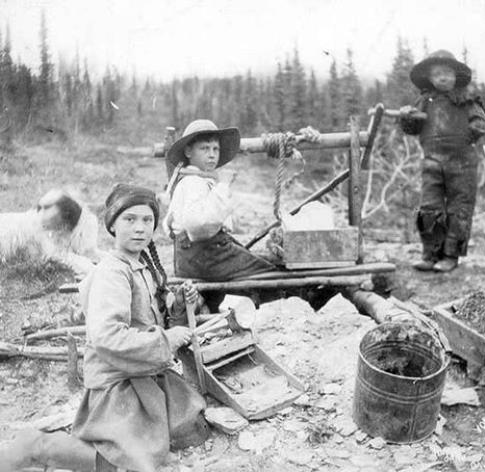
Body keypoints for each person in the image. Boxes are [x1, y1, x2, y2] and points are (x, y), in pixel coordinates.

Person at [0, 184, 209, 472]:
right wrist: (167, 339)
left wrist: (177, 308)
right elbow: (107, 337)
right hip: (117, 382)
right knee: (133, 462)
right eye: (129, 219)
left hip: (143, 370)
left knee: (193, 428)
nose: (140, 228)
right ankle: (37, 445)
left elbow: (152, 320)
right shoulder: (112, 273)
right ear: (112, 225)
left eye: (147, 220)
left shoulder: (142, 267)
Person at [164, 119, 277, 310]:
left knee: (258, 262)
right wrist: (223, 188)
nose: (211, 155)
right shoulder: (193, 183)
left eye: (215, 149)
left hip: (196, 257)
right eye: (205, 148)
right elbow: (198, 225)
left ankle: (216, 305)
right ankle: (308, 296)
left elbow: (172, 226)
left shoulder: (197, 180)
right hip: (205, 256)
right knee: (265, 272)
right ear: (189, 152)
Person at [399, 50, 485, 272]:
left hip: (463, 164)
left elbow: (481, 122)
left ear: (456, 76)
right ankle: (430, 254)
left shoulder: (467, 100)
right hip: (432, 162)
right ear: (429, 78)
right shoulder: (423, 102)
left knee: (459, 209)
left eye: (447, 73)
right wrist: (406, 117)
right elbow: (412, 128)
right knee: (430, 207)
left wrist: (470, 132)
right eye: (437, 74)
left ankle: (451, 256)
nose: (443, 78)